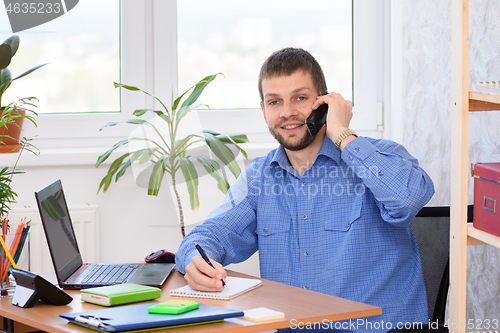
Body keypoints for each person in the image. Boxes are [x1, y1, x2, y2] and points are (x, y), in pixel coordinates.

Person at [175, 47, 435, 332]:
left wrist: (342, 134)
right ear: (264, 111)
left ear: (323, 104)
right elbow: (211, 235)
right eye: (275, 102)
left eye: (300, 98)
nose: (287, 113)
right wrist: (194, 259)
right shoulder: (260, 178)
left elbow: (408, 199)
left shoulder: (378, 157)